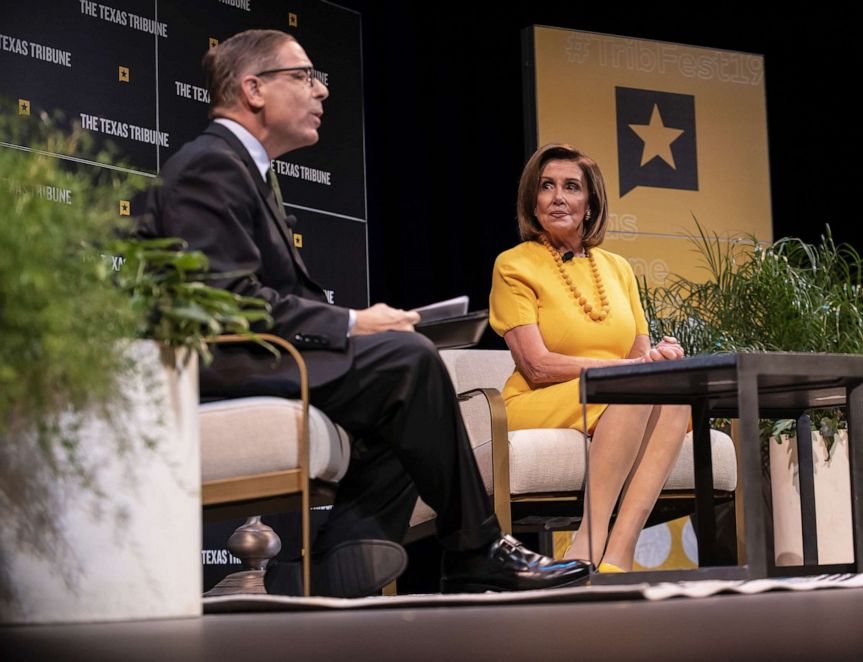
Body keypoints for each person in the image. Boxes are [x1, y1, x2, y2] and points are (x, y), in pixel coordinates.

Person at [138, 30, 589, 596]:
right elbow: (228, 305)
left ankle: (331, 562)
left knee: (408, 395)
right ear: (253, 89)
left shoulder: (240, 167)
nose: (321, 90)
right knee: (407, 362)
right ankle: (475, 550)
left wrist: (365, 324)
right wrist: (354, 324)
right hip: (226, 364)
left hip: (259, 354)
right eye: (303, 76)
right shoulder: (210, 165)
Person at [489, 143, 691, 572]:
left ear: (589, 204)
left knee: (672, 393)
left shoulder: (617, 268)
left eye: (571, 187)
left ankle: (619, 555)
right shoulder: (514, 265)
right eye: (547, 186)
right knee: (632, 388)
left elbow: (638, 355)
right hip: (538, 400)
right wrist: (626, 370)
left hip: (611, 394)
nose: (558, 197)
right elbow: (536, 366)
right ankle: (586, 545)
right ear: (533, 200)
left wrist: (658, 357)